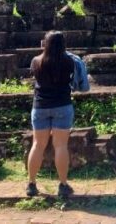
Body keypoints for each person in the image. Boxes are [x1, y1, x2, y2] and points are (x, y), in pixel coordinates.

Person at [26, 31, 90, 199]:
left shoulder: (36, 61)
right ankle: (62, 185)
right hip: (62, 105)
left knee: (37, 145)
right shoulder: (70, 61)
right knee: (60, 146)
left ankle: (31, 184)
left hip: (40, 106)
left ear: (45, 44)